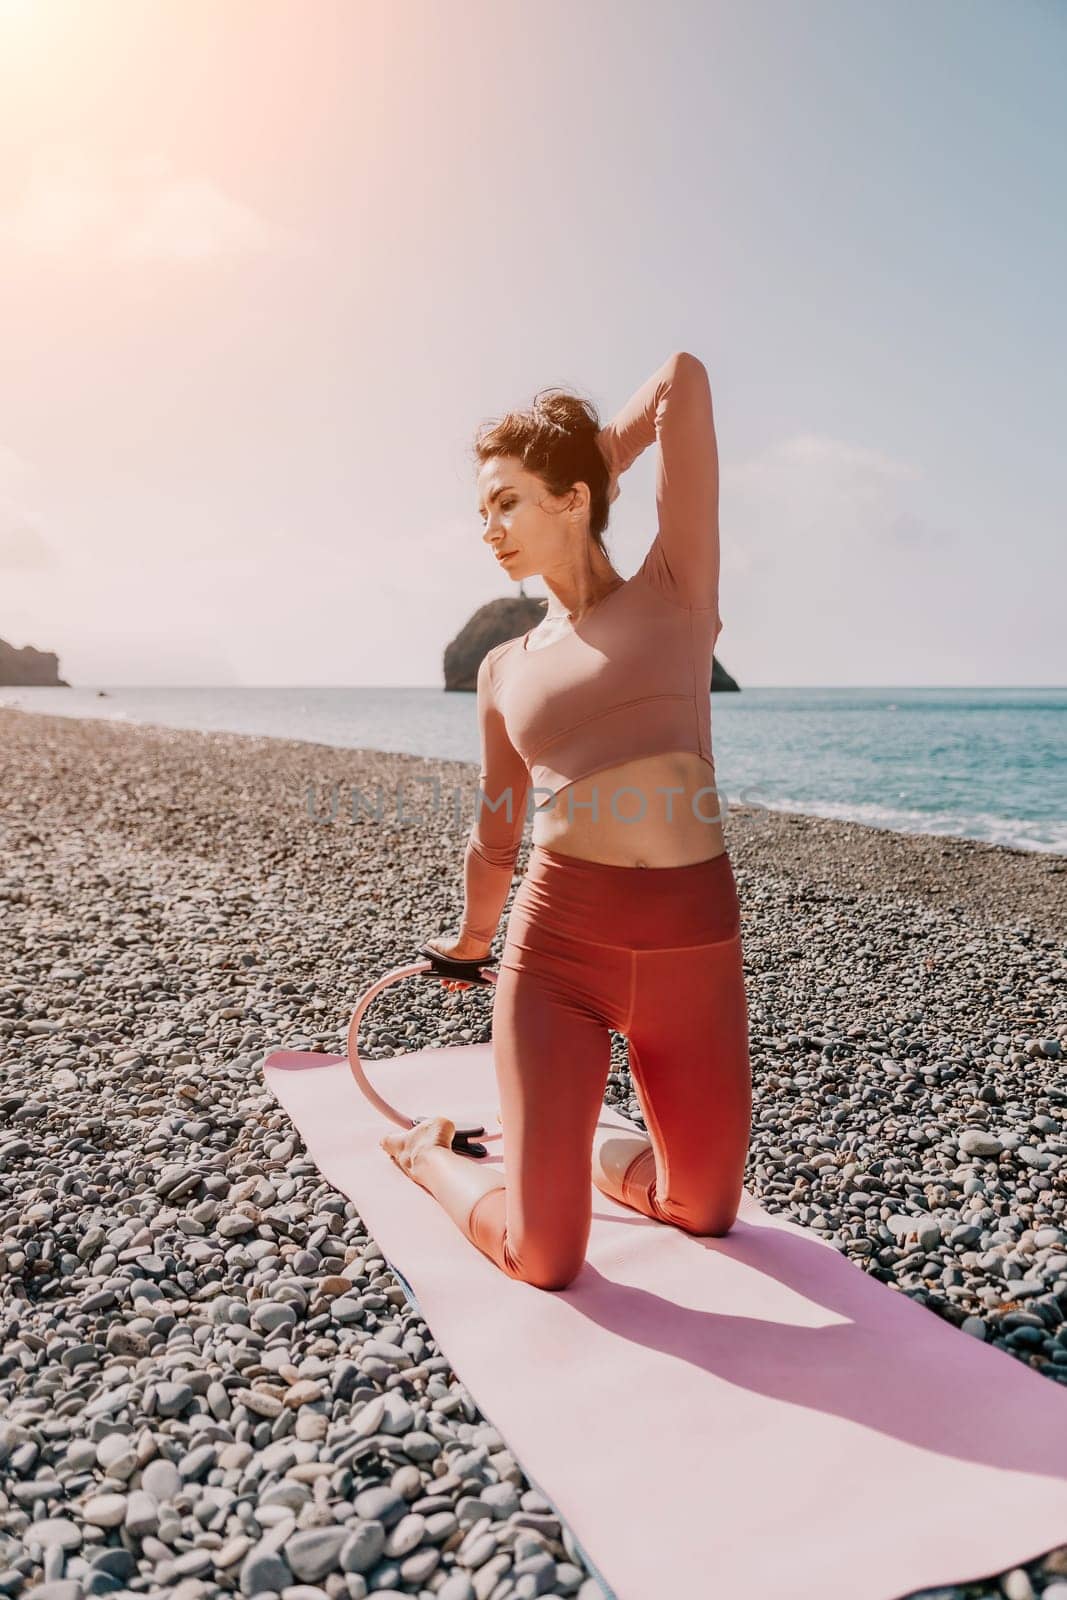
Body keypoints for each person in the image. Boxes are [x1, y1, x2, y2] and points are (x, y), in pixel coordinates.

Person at [380, 350, 752, 1290]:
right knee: (545, 1261)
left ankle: (584, 1152)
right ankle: (433, 1153)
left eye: (507, 501)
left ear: (572, 497)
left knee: (703, 1213)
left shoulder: (676, 586)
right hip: (558, 952)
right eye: (481, 511)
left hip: (691, 947)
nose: (489, 528)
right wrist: (469, 939)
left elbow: (681, 379)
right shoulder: (505, 666)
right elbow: (497, 819)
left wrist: (595, 459)